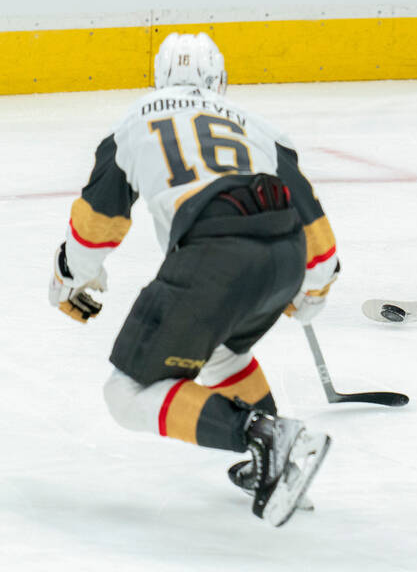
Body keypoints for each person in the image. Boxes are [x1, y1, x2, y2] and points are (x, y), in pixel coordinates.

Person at [47, 32, 340, 527]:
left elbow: (97, 227)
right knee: (225, 351)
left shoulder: (132, 122)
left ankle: (264, 436)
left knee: (127, 396)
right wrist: (314, 287)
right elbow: (313, 222)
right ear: (219, 80)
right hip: (284, 251)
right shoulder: (260, 127)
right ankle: (275, 463)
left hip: (215, 254)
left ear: (159, 80)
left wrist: (72, 275)